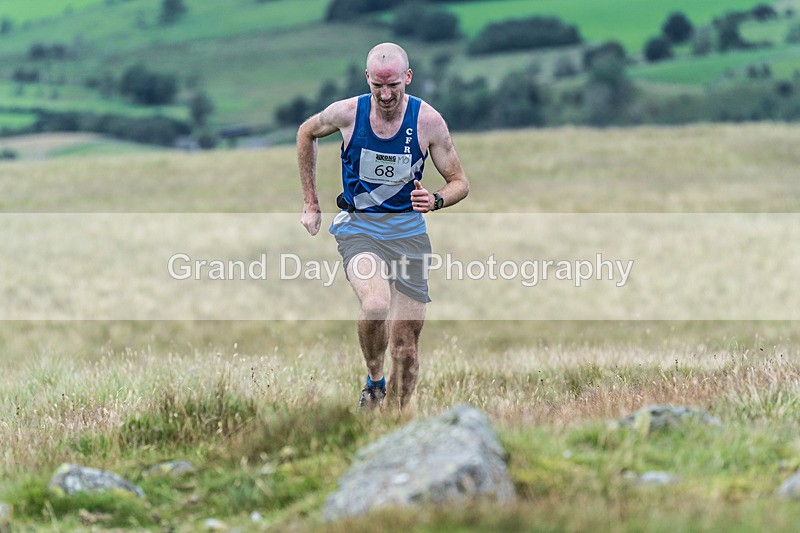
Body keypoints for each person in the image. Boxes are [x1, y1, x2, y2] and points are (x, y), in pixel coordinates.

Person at [296, 42, 469, 410]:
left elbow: (459, 183)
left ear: (408, 77)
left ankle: (395, 420)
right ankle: (374, 382)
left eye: (394, 86)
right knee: (376, 303)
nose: (386, 95)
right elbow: (305, 133)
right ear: (367, 79)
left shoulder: (428, 122)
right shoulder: (346, 113)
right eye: (378, 86)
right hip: (360, 229)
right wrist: (311, 202)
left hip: (409, 236)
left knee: (406, 347)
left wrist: (436, 199)